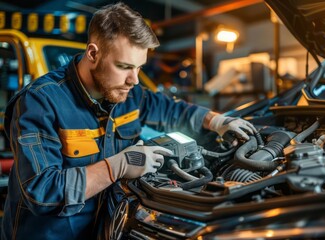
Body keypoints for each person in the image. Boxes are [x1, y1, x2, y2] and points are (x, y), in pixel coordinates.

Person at [1, 2, 256, 240]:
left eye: (139, 68)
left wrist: (217, 120)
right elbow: (42, 193)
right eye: (124, 67)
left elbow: (169, 108)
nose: (133, 80)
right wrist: (118, 166)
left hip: (107, 229)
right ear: (93, 53)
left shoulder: (128, 94)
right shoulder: (39, 102)